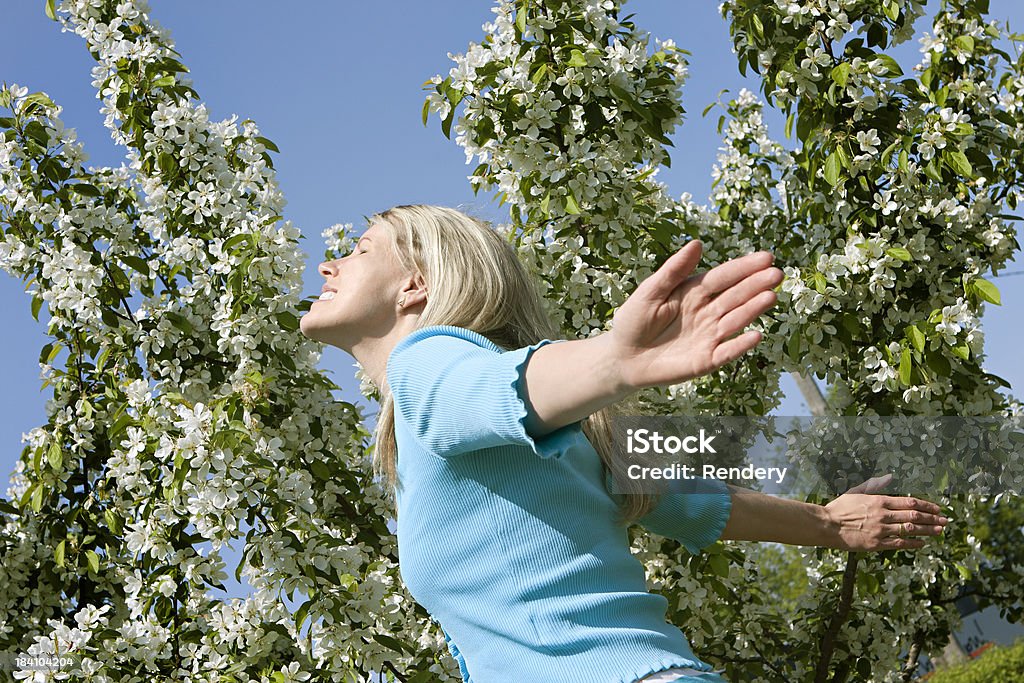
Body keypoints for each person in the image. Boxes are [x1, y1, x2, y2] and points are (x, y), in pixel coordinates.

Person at [299, 204, 950, 683]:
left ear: (415, 284)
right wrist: (831, 522)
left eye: (358, 248)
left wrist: (614, 360)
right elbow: (702, 500)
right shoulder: (570, 433)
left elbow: (499, 384)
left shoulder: (426, 365)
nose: (329, 262)